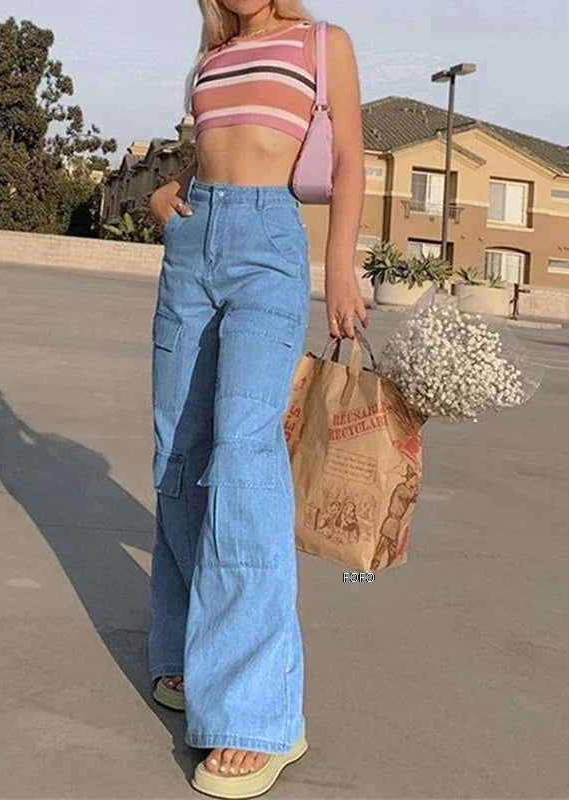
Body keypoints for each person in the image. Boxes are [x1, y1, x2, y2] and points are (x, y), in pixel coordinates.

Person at [147, 1, 366, 795]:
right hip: (193, 247)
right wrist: (163, 201)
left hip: (271, 246)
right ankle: (182, 653)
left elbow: (347, 162)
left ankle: (260, 713)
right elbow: (205, 156)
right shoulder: (213, 54)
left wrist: (339, 267)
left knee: (243, 455)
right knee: (179, 452)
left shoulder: (320, 42)